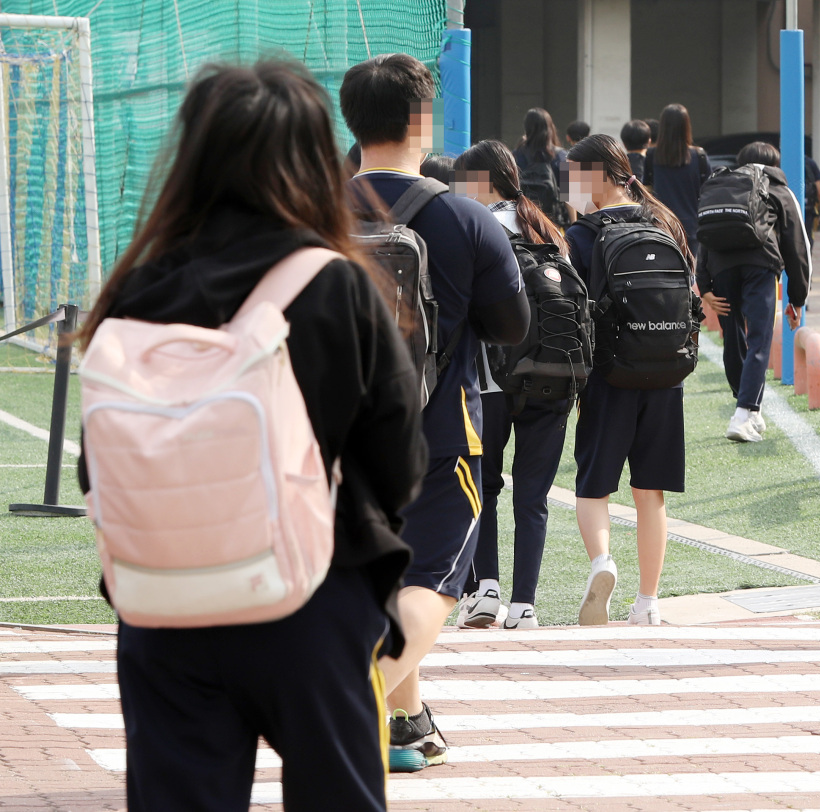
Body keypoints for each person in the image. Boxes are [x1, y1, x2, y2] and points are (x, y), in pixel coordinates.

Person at [77, 59, 429, 810]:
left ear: (193, 156)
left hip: (163, 611)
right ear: (310, 158)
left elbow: (97, 465)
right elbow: (398, 455)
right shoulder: (334, 282)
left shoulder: (137, 290)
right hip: (311, 599)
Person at [341, 53, 528, 768]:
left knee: (379, 572)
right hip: (439, 429)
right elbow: (511, 326)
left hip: (329, 432)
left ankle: (407, 721)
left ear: (352, 123)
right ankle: (351, 696)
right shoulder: (463, 218)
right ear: (423, 120)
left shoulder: (313, 210)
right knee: (434, 580)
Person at [562, 134, 695, 627]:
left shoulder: (581, 237)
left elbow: (571, 314)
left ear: (597, 176)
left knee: (594, 486)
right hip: (666, 371)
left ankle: (603, 563)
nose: (570, 185)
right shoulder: (664, 222)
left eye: (575, 176)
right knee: (650, 492)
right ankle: (649, 603)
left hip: (607, 375)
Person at [450, 140, 571, 631]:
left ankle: (487, 590)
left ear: (485, 182)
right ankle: (524, 605)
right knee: (534, 495)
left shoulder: (477, 229)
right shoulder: (549, 232)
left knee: (486, 486)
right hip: (554, 379)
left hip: (492, 379)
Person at [698, 141, 812, 443]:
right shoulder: (779, 191)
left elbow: (705, 236)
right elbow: (798, 248)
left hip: (721, 268)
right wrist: (798, 299)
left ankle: (749, 407)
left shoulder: (726, 187)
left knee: (733, 339)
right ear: (774, 163)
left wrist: (704, 286)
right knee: (758, 340)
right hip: (760, 267)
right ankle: (743, 412)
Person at [644, 104, 711, 257]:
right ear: (686, 126)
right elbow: (707, 190)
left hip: (660, 224)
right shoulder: (698, 156)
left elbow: (646, 188)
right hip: (692, 227)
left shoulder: (652, 155)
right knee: (691, 275)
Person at [805, 154, 820, 236]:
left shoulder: (783, 162)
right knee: (807, 239)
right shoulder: (810, 163)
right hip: (807, 209)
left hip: (788, 209)